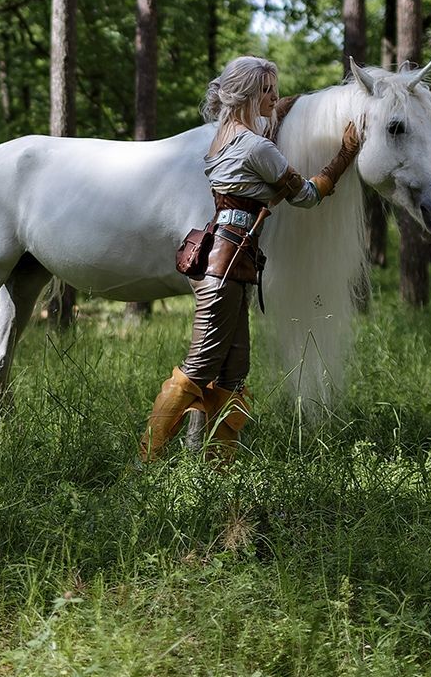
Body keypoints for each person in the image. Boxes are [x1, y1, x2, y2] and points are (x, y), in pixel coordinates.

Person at [140, 55, 361, 463]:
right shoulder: (257, 146)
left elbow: (248, 191)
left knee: (235, 368)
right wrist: (344, 155)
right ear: (247, 94)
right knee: (201, 362)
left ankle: (220, 462)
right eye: (267, 90)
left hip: (233, 258)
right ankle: (147, 460)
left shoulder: (223, 137)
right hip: (226, 265)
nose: (274, 97)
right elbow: (308, 196)